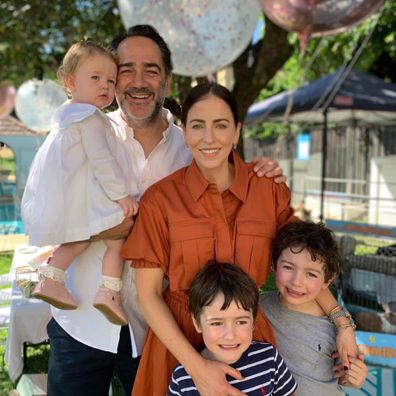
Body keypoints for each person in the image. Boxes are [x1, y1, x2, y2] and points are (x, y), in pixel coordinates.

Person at [42, 25, 286, 396]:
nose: (139, 82)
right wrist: (108, 231)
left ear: (167, 80)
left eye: (151, 70)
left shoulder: (191, 147)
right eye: (126, 69)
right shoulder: (80, 131)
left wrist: (261, 171)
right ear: (111, 76)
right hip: (80, 318)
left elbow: (226, 174)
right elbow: (45, 210)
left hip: (158, 329)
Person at [122, 81, 358, 396]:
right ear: (185, 131)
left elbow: (307, 265)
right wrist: (196, 368)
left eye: (221, 125)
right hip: (179, 341)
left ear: (236, 131)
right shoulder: (160, 200)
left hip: (250, 341)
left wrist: (342, 323)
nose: (209, 138)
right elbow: (148, 295)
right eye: (197, 125)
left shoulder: (268, 190)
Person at [21, 39, 139, 326]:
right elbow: (102, 161)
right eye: (95, 78)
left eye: (110, 81)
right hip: (90, 195)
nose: (105, 87)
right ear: (70, 82)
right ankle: (109, 293)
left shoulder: (65, 116)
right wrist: (121, 195)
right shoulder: (89, 118)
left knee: (76, 241)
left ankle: (51, 279)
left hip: (70, 196)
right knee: (117, 240)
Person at [260, 221, 368, 395]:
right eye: (288, 267)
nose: (297, 281)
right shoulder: (257, 308)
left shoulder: (339, 325)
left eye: (311, 274)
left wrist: (354, 376)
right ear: (274, 264)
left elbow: (344, 375)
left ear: (328, 280)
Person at [168, 262, 297, 395]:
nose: (230, 335)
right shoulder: (182, 378)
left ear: (253, 321)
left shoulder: (269, 358)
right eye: (217, 323)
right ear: (197, 323)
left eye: (241, 322)